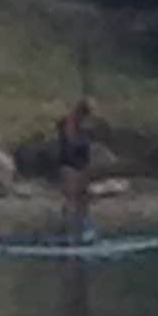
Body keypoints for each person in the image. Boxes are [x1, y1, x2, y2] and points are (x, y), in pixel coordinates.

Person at [55, 95, 98, 243]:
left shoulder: (84, 126)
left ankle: (82, 231)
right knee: (72, 199)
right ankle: (70, 234)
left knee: (84, 198)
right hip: (70, 165)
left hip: (82, 166)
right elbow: (71, 142)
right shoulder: (68, 124)